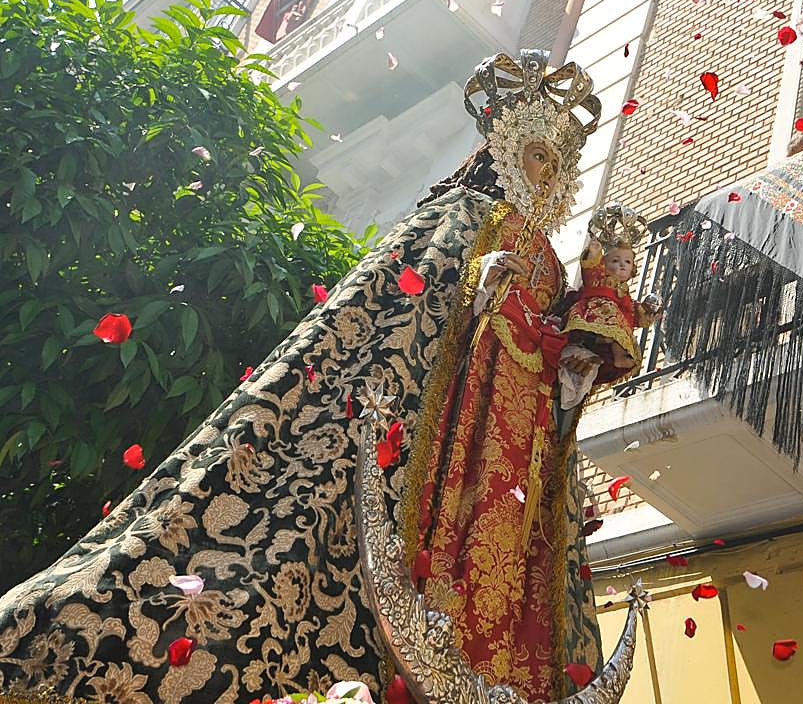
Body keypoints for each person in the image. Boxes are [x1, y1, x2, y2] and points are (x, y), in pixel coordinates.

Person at [0, 50, 612, 703]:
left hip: (510, 460)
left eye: (559, 164)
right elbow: (391, 322)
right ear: (510, 147)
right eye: (540, 154)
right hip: (434, 438)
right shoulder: (462, 215)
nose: (547, 174)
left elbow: (555, 362)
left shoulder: (546, 258)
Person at [559, 205, 662, 408]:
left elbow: (633, 312)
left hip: (616, 322)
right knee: (613, 324)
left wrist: (648, 313)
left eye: (627, 262)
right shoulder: (599, 277)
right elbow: (589, 269)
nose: (622, 265)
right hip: (593, 313)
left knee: (621, 330)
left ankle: (618, 356)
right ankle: (599, 340)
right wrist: (594, 253)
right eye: (615, 260)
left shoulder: (624, 294)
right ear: (604, 264)